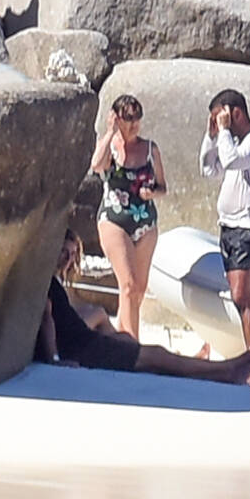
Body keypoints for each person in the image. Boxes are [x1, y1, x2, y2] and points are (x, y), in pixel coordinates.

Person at [200, 86, 250, 375]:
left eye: (221, 117)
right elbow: (210, 170)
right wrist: (211, 136)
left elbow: (233, 160)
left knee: (245, 296)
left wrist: (222, 134)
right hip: (230, 227)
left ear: (235, 113)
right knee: (239, 297)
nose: (220, 124)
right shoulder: (229, 142)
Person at [84, 90, 168, 352]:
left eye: (137, 117)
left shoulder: (150, 149)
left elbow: (163, 186)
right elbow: (96, 166)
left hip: (145, 223)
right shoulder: (109, 147)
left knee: (138, 290)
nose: (133, 123)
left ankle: (118, 340)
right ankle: (133, 350)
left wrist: (152, 192)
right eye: (127, 117)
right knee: (128, 286)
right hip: (114, 219)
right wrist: (110, 132)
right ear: (116, 118)